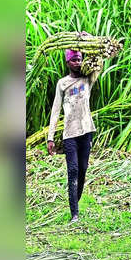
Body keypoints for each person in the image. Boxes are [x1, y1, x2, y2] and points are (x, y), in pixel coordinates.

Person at [47, 34, 103, 223]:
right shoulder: (62, 83)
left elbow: (99, 59)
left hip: (86, 131)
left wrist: (89, 42)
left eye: (80, 59)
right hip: (70, 134)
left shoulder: (88, 79)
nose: (78, 63)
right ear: (68, 62)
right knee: (72, 170)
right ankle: (75, 213)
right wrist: (50, 137)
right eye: (74, 60)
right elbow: (55, 111)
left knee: (83, 169)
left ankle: (75, 201)